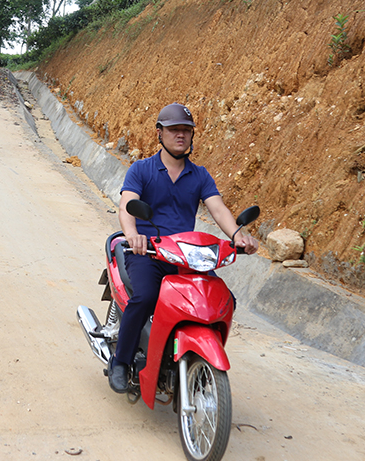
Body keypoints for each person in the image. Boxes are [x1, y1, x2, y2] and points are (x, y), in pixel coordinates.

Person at [108, 102, 259, 394]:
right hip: (148, 252)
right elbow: (127, 206)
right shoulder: (142, 170)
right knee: (146, 297)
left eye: (186, 131)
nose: (181, 135)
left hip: (184, 254)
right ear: (160, 133)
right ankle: (121, 362)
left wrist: (238, 234)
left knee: (223, 300)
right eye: (174, 130)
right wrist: (133, 235)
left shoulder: (199, 175)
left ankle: (197, 359)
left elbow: (217, 208)